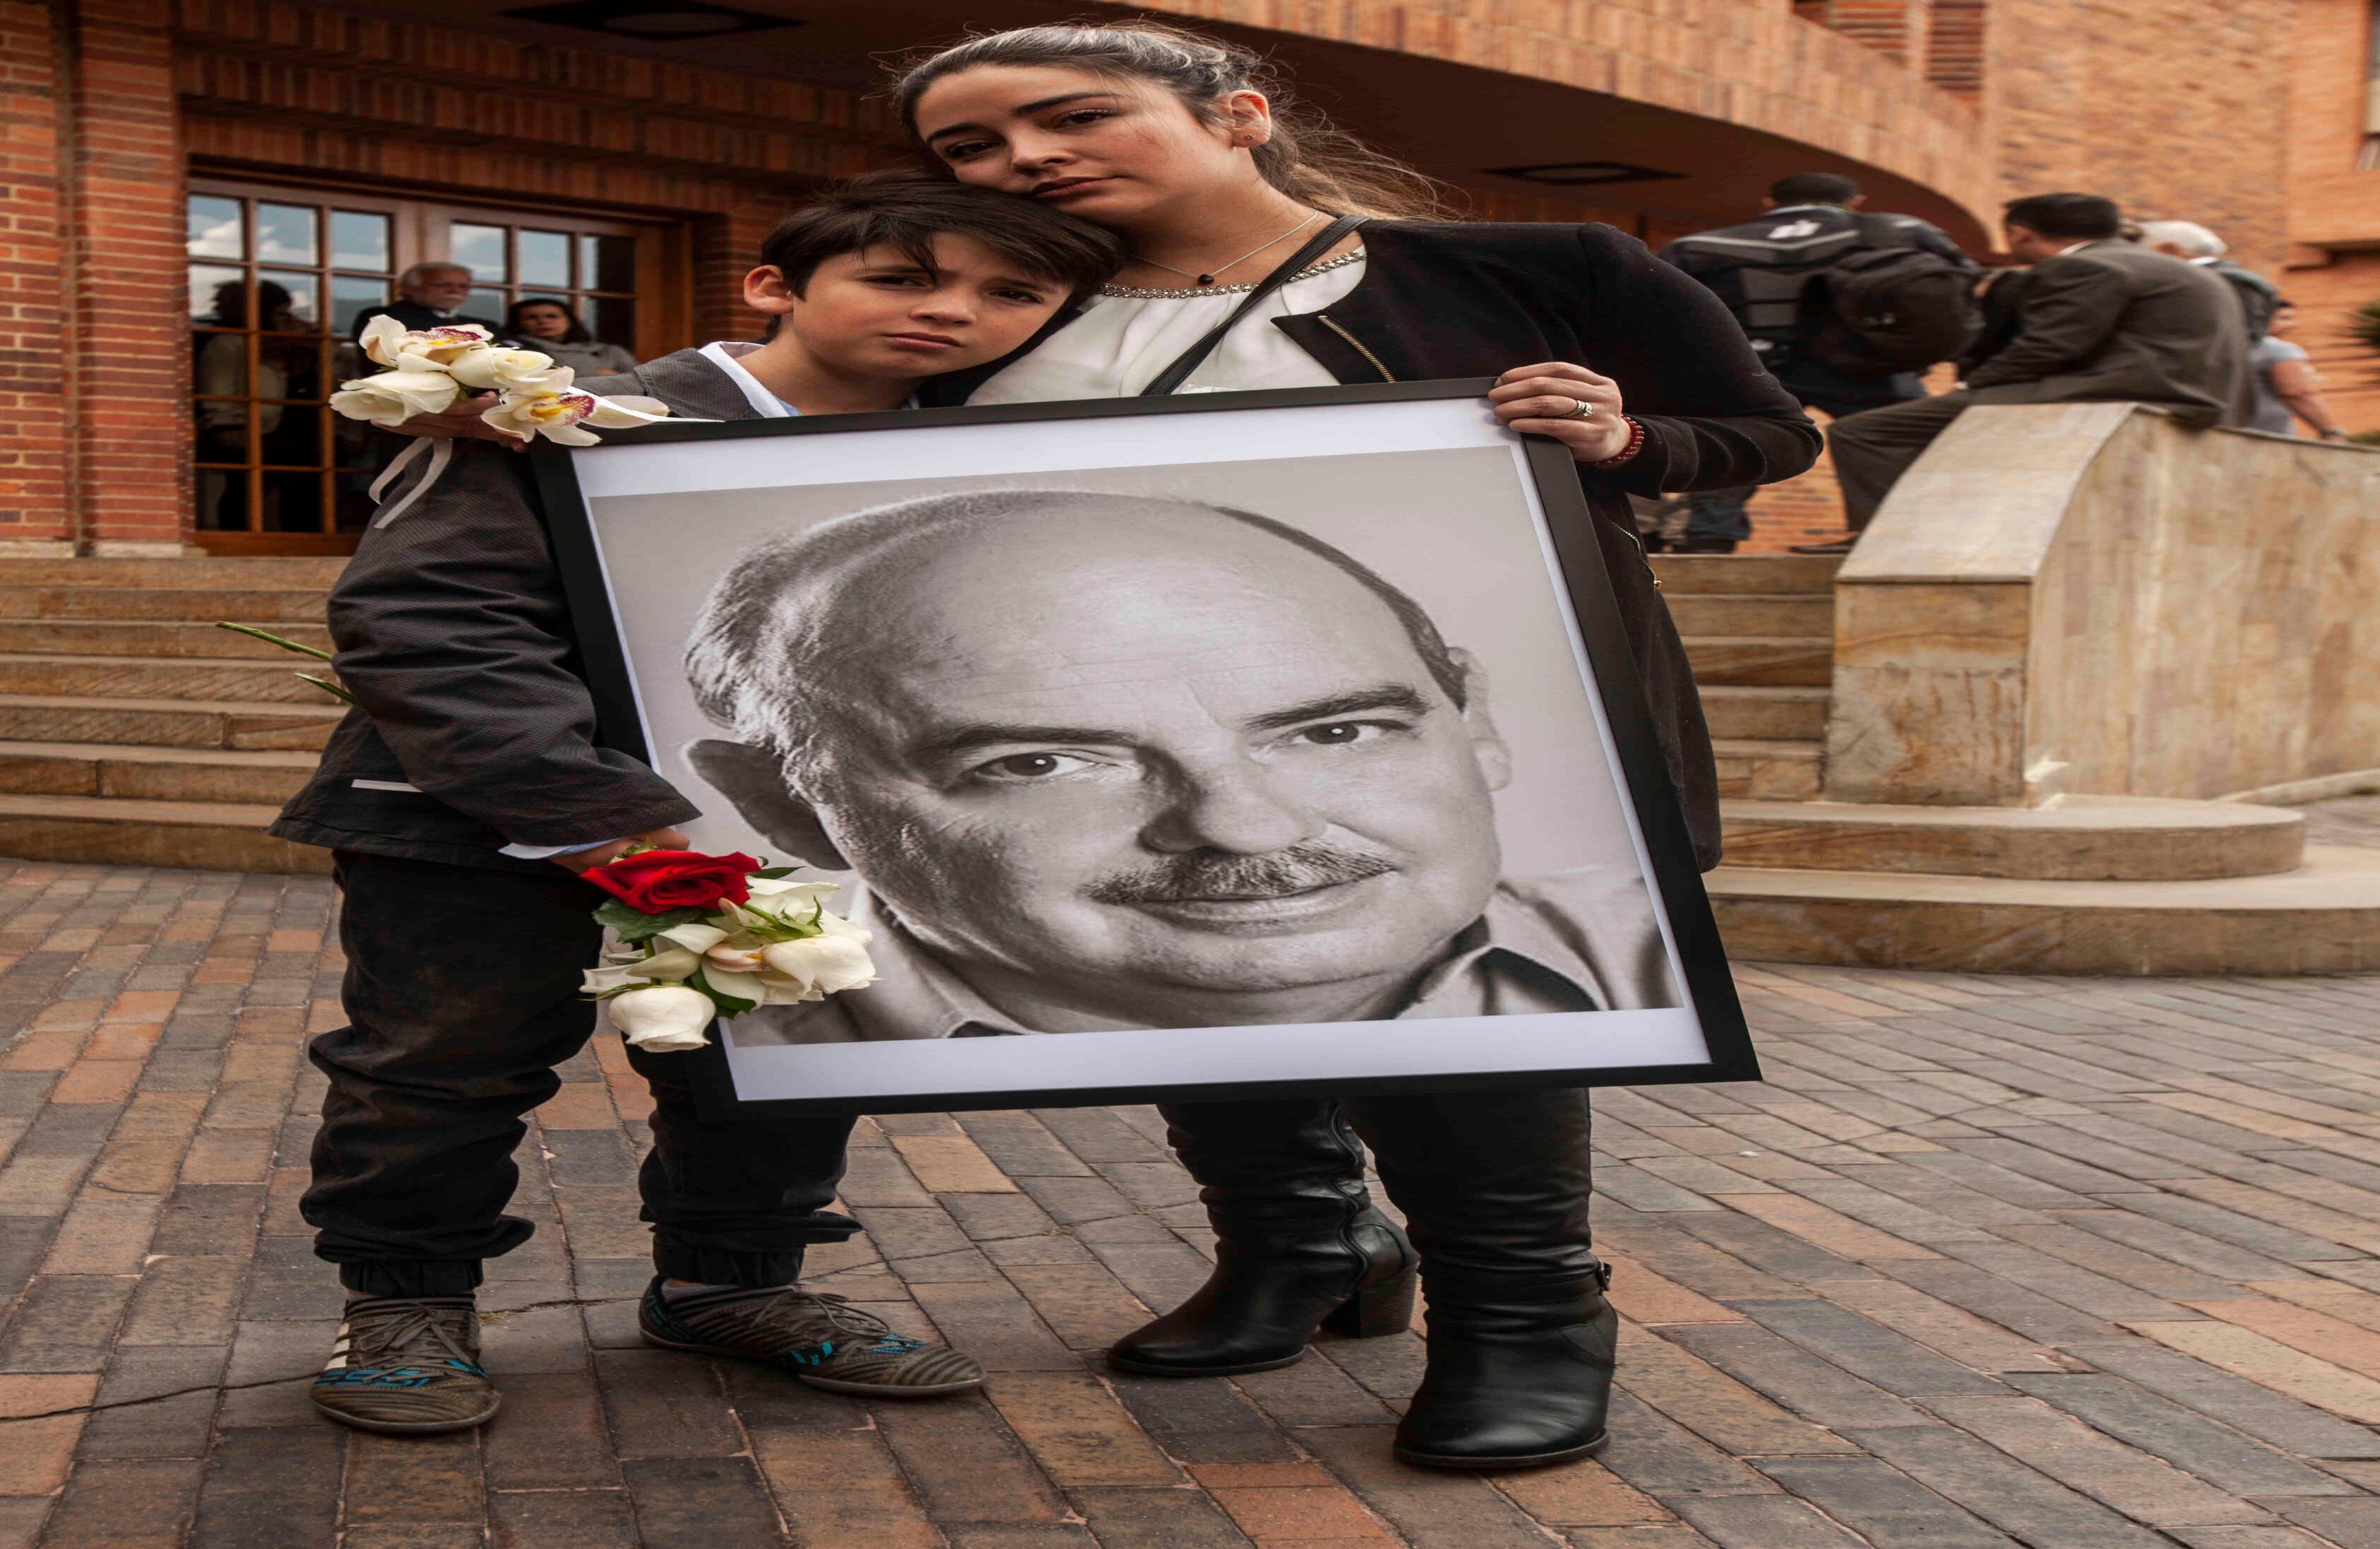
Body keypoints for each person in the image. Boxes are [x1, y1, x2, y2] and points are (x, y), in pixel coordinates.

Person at [887, 20, 1820, 1471]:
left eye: (1072, 117)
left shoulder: (1537, 267)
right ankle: (1301, 1243)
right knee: (1187, 964)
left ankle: (1523, 1314)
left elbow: (1767, 434)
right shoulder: (994, 312)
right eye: (971, 147)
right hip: (1119, 729)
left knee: (1460, 996)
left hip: (1446, 712)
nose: (1023, 159)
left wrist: (1625, 440)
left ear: (1238, 112)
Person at [269, 174, 1120, 1437]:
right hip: (484, 820)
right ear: (774, 285)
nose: (954, 312)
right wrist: (595, 816)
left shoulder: (991, 448)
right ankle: (406, 1302)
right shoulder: (557, 419)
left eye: (1011, 293)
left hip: (766, 822)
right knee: (441, 1065)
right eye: (902, 277)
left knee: (778, 1058)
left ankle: (730, 1282)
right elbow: (429, 622)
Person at [685, 489, 1679, 1052]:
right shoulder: (713, 1037)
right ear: (784, 806)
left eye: (1335, 732)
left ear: (1474, 723)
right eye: (1039, 762)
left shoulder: (1663, 954)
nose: (1246, 826)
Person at [1825, 193, 2254, 540]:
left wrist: (1972, 386)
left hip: (2127, 391)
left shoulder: (2082, 266)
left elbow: (2049, 346)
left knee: (1863, 431)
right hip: (2195, 394)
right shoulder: (2162, 265)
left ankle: (1885, 538)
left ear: (2020, 233)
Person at [1659, 172, 1981, 554]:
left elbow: (1664, 306)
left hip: (1752, 367)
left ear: (1769, 203)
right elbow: (1964, 286)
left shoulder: (1699, 245)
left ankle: (1708, 541)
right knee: (1896, 440)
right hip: (1865, 365)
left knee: (1737, 447)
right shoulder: (1901, 230)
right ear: (1856, 201)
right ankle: (1900, 539)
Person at [2137, 220, 2280, 344]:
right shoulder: (2217, 276)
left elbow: (2244, 334)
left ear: (2169, 250)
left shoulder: (2230, 279)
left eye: (2144, 253)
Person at [2251, 302, 2351, 440]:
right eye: (2284, 319)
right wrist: (2331, 432)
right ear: (2261, 319)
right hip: (2268, 441)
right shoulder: (2278, 349)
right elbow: (2297, 392)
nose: (2294, 325)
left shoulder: (2230, 346)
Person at [350, 261, 509, 343]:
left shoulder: (487, 326)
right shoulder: (383, 318)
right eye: (442, 285)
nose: (455, 290)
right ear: (408, 288)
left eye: (463, 286)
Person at [506, 295, 638, 375]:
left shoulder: (609, 351)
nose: (543, 321)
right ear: (518, 323)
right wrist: (595, 374)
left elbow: (638, 380)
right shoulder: (514, 351)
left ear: (569, 321)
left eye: (552, 316)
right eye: (532, 317)